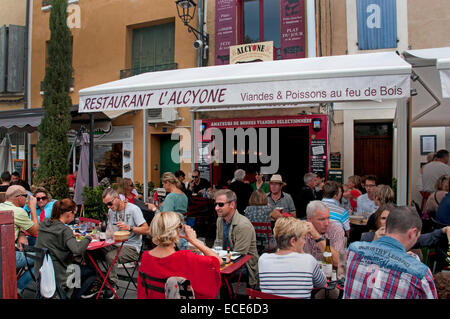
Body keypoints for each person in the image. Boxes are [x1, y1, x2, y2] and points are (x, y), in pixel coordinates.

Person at [344, 206, 438, 299]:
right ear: (413, 233)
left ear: (387, 226)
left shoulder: (354, 250)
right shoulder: (420, 274)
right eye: (418, 235)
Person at [137, 211, 221, 299]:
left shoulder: (146, 257)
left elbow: (142, 291)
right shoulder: (185, 257)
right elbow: (218, 261)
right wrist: (193, 240)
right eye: (179, 227)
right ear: (177, 230)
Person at [34, 198, 100, 299]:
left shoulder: (44, 224)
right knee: (92, 272)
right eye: (74, 214)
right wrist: (88, 237)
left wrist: (71, 235)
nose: (74, 217)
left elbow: (56, 238)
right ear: (69, 213)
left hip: (41, 271)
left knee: (78, 267)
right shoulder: (64, 230)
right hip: (59, 274)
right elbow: (77, 249)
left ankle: (67, 293)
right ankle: (73, 296)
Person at [98, 187, 149, 298]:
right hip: (114, 244)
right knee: (89, 252)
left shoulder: (133, 209)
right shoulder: (111, 211)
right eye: (106, 205)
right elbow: (110, 231)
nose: (109, 207)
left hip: (132, 247)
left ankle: (112, 285)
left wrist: (129, 227)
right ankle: (97, 281)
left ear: (117, 198)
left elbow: (146, 230)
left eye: (110, 203)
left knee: (110, 257)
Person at [258, 216, 326, 298]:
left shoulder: (263, 259)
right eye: (303, 238)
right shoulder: (308, 260)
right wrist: (302, 253)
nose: (304, 242)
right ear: (293, 241)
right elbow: (322, 283)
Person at [214, 189, 259, 288]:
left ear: (232, 205)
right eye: (216, 204)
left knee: (214, 275)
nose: (216, 208)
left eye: (220, 204)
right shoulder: (220, 220)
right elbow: (218, 245)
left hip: (246, 265)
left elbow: (239, 256)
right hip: (227, 259)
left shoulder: (243, 225)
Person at [0, 185, 38, 296]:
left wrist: (21, 233)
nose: (27, 199)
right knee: (43, 257)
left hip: (4, 253)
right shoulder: (18, 211)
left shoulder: (2, 207)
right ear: (19, 197)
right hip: (7, 257)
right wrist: (33, 208)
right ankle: (18, 288)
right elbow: (35, 231)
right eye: (26, 196)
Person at [361, 204, 450, 249]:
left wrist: (444, 230)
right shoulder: (368, 238)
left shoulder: (403, 237)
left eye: (391, 218)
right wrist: (375, 242)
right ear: (377, 220)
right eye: (383, 218)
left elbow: (427, 238)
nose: (387, 222)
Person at [303, 201, 345, 267]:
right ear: (309, 219)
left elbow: (338, 262)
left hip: (328, 274)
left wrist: (317, 236)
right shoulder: (300, 229)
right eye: (322, 219)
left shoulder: (336, 230)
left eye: (328, 218)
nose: (327, 223)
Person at [244, 189, 278, 253]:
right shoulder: (269, 209)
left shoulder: (247, 209)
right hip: (267, 243)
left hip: (252, 243)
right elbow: (281, 219)